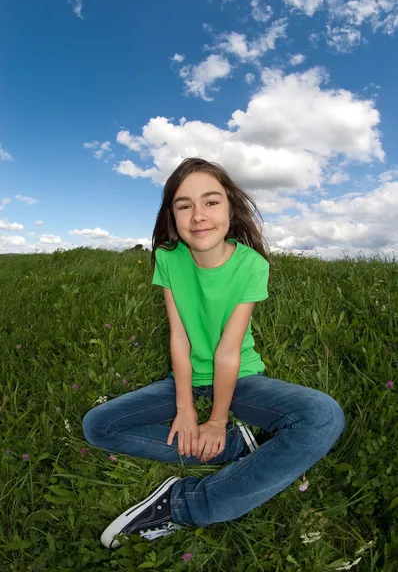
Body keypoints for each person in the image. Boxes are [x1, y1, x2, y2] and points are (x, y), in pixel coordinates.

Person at [82, 157, 345, 549]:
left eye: (211, 201)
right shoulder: (169, 259)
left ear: (230, 208)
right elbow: (179, 338)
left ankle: (188, 505)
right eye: (184, 205)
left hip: (240, 378)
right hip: (186, 377)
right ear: (171, 215)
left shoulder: (251, 264)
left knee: (323, 417)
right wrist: (186, 408)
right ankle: (240, 446)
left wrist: (216, 420)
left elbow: (227, 352)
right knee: (97, 426)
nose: (198, 216)